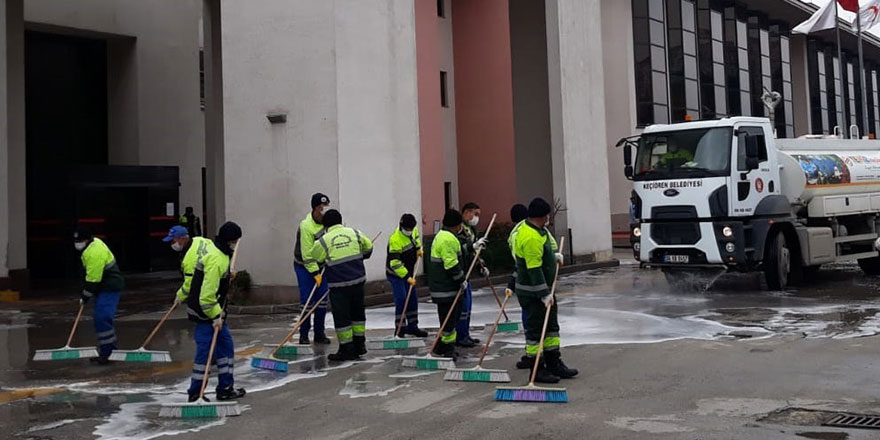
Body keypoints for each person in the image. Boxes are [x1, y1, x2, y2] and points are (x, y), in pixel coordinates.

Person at [513, 198, 578, 382]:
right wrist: (544, 295)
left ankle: (554, 364)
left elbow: (542, 259)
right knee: (535, 333)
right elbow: (534, 270)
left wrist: (552, 257)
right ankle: (538, 370)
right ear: (542, 216)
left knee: (551, 329)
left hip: (544, 291)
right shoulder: (530, 237)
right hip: (533, 294)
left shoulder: (538, 231)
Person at [185, 221, 246, 402]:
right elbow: (206, 297)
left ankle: (225, 388)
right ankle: (196, 392)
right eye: (234, 241)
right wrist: (216, 316)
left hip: (216, 312)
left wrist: (229, 275)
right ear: (229, 241)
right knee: (205, 353)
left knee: (226, 348)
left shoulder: (221, 254)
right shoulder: (216, 259)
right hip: (206, 314)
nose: (235, 245)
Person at [311, 209, 374, 361]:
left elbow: (317, 257)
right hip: (358, 281)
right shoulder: (355, 233)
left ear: (325, 225)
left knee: (342, 318)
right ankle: (360, 345)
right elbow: (368, 247)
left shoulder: (324, 240)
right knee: (358, 315)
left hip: (339, 286)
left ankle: (346, 349)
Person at [74, 225, 125, 365]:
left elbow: (93, 278)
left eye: (80, 241)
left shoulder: (94, 252)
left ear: (87, 239)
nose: (77, 244)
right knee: (100, 319)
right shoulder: (92, 245)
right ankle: (107, 351)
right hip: (103, 287)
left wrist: (85, 296)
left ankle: (109, 352)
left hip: (110, 287)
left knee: (102, 318)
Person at [427, 209, 471, 360]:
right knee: (449, 320)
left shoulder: (445, 236)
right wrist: (461, 280)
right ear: (457, 225)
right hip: (447, 288)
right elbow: (451, 264)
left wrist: (472, 246)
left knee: (449, 319)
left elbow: (459, 253)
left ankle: (441, 345)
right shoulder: (448, 239)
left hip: (443, 287)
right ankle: (447, 348)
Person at [293, 193, 332, 345]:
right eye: (322, 209)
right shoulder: (306, 226)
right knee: (307, 301)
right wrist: (315, 273)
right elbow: (307, 254)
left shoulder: (328, 223)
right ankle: (303, 334)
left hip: (322, 267)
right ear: (315, 209)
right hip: (304, 266)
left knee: (322, 300)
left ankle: (319, 333)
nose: (324, 212)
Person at [386, 213, 428, 337]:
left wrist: (419, 249)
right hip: (396, 274)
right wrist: (407, 277)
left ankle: (413, 326)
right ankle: (400, 327)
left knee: (412, 299)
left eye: (411, 228)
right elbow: (395, 264)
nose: (409, 231)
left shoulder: (413, 230)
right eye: (407, 229)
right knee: (401, 299)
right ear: (401, 226)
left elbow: (417, 240)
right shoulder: (395, 240)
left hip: (409, 271)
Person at [455, 202, 488, 348]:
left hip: (468, 273)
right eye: (475, 214)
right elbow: (463, 249)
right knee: (463, 306)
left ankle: (465, 334)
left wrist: (481, 265)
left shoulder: (472, 230)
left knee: (468, 307)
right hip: (460, 272)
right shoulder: (459, 229)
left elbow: (474, 252)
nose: (476, 218)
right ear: (467, 213)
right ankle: (460, 335)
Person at [163, 225, 211, 306]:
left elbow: (190, 283)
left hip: (205, 290)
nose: (172, 244)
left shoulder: (189, 259)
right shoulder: (199, 240)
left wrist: (179, 296)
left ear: (181, 239)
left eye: (173, 241)